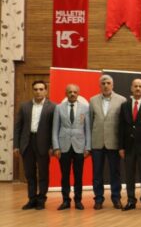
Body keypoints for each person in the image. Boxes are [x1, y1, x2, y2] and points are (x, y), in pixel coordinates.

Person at [14, 80, 56, 210]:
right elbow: (18, 127)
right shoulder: (24, 106)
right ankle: (32, 199)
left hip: (44, 144)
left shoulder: (53, 107)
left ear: (46, 91)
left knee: (43, 174)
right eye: (36, 89)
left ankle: (41, 199)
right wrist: (16, 145)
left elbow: (54, 129)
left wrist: (52, 146)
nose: (38, 92)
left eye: (41, 89)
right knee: (29, 174)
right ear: (33, 91)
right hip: (27, 143)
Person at [89, 74, 126, 210]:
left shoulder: (122, 100)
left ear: (112, 85)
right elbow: (90, 122)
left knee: (115, 173)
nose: (106, 85)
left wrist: (122, 144)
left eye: (108, 83)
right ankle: (98, 199)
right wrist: (89, 144)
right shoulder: (92, 100)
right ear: (100, 85)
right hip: (97, 142)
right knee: (97, 173)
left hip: (114, 142)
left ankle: (116, 198)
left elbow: (123, 124)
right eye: (103, 83)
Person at [52, 84, 91, 210]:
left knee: (78, 176)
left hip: (79, 146)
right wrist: (56, 147)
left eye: (75, 92)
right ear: (66, 93)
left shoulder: (85, 108)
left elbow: (87, 129)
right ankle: (65, 201)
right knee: (65, 176)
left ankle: (78, 201)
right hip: (63, 146)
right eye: (70, 92)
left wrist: (88, 147)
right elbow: (55, 129)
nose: (72, 94)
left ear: (78, 93)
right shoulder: (59, 108)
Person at [118, 78, 141, 211]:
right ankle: (131, 200)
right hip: (128, 147)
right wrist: (121, 147)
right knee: (129, 175)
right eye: (135, 86)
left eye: (140, 86)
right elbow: (121, 127)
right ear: (131, 88)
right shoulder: (125, 106)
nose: (138, 88)